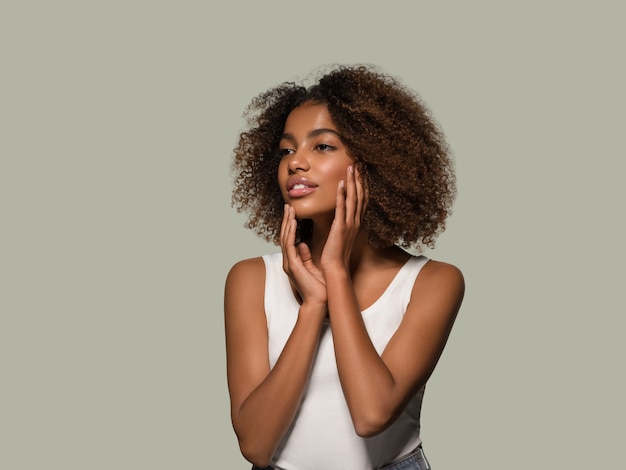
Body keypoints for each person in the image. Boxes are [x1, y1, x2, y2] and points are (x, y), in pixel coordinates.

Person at [224, 64, 464, 470]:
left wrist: (334, 272)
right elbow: (256, 445)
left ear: (373, 162)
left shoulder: (433, 282)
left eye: (322, 147)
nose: (295, 163)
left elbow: (371, 415)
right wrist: (313, 306)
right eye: (286, 150)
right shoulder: (250, 279)